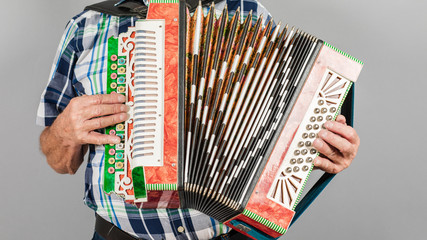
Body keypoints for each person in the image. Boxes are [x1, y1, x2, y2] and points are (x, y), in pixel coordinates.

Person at [37, 0, 360, 239]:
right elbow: (60, 161)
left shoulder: (249, 13)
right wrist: (64, 131)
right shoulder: (86, 27)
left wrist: (320, 149)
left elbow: (278, 128)